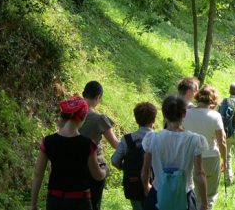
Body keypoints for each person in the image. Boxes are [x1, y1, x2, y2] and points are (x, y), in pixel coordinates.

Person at [30, 96, 106, 210]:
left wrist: (33, 205)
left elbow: (38, 174)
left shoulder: (48, 141)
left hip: (55, 201)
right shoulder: (87, 144)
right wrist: (105, 170)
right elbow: (97, 175)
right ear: (83, 117)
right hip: (80, 202)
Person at [141, 95, 208, 210]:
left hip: (157, 193)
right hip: (185, 194)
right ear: (184, 114)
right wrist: (204, 203)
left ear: (164, 115)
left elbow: (145, 171)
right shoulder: (195, 140)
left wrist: (146, 187)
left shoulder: (152, 138)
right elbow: (199, 174)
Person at [183, 86, 227, 210]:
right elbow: (222, 141)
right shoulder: (215, 116)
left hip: (191, 157)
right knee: (210, 194)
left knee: (194, 191)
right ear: (213, 100)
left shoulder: (186, 114)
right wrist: (225, 160)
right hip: (211, 157)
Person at [79, 81, 119, 210]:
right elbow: (115, 144)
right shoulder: (99, 119)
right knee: (93, 205)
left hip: (71, 165)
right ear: (98, 97)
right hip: (93, 168)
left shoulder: (70, 115)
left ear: (83, 94)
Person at [111, 102, 157, 210]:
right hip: (155, 185)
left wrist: (125, 167)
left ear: (136, 120)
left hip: (133, 184)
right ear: (154, 120)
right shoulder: (159, 138)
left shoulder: (127, 140)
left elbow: (114, 161)